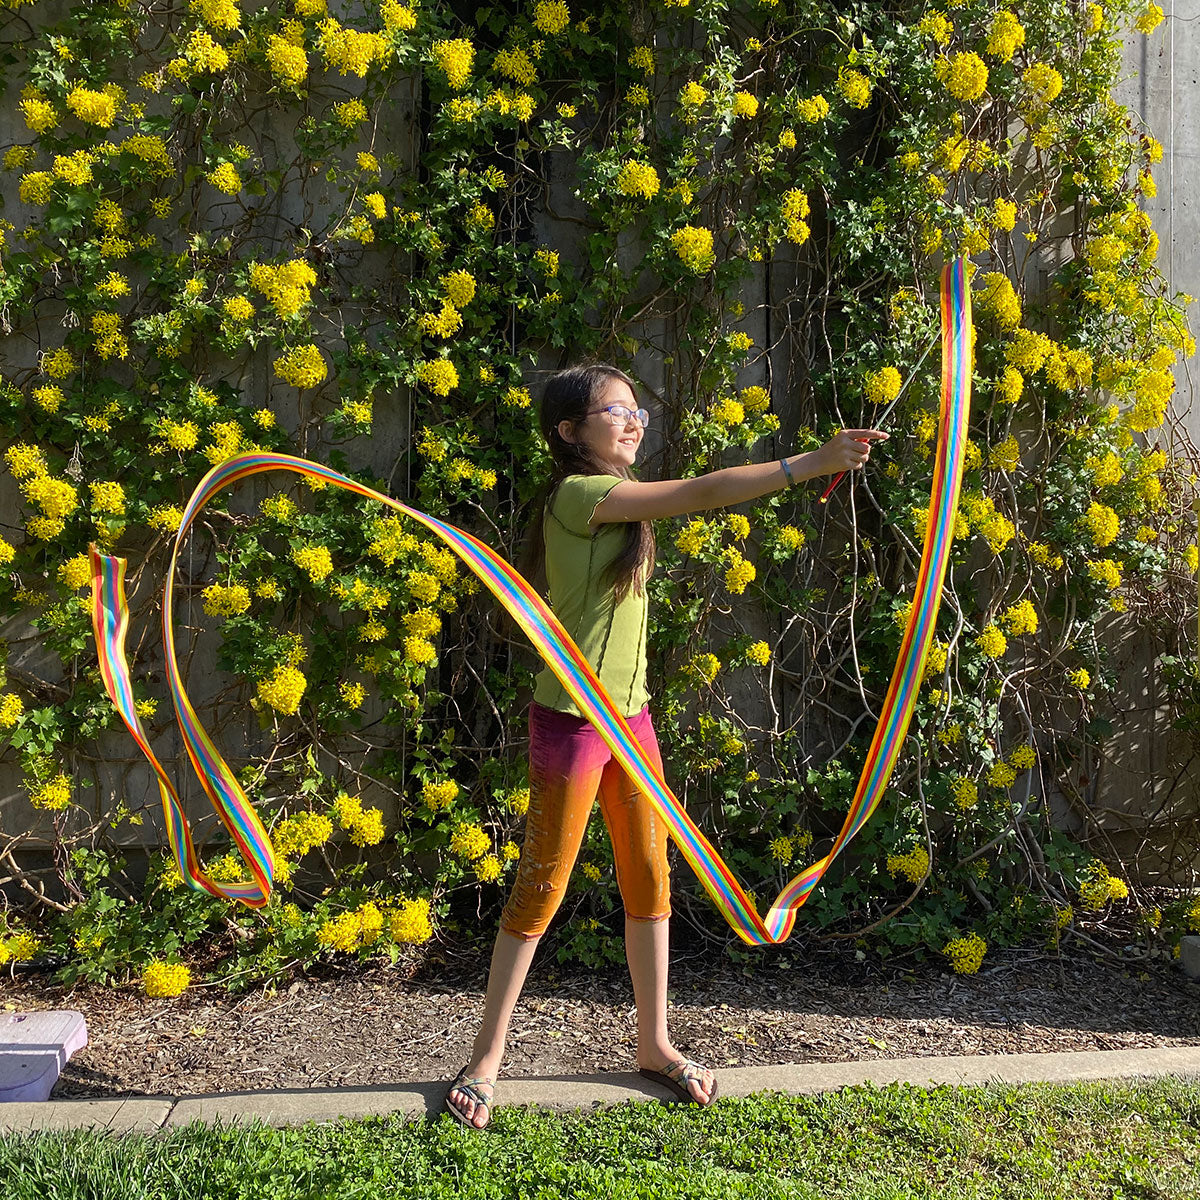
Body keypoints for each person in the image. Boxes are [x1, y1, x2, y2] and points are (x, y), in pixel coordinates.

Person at [444, 363, 887, 1129]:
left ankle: (655, 1043)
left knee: (651, 882)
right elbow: (697, 493)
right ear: (569, 433)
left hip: (632, 725)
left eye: (635, 408)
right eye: (613, 411)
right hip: (575, 725)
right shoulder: (581, 495)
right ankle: (485, 1060)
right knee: (541, 888)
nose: (633, 420)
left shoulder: (615, 500)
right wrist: (808, 464)